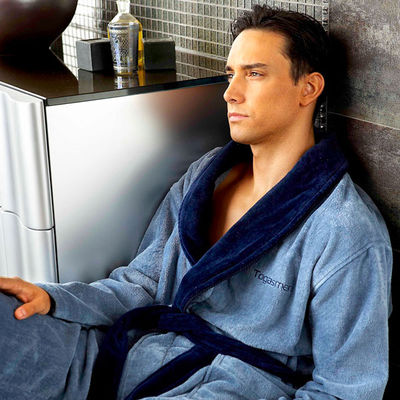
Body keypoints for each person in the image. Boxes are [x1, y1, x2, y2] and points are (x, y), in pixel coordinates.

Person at [0, 4, 392, 400]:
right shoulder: (206, 175)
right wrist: (54, 298)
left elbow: (345, 391)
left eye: (254, 74)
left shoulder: (345, 231)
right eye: (231, 74)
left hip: (224, 387)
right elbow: (142, 284)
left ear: (308, 88)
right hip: (129, 352)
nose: (230, 93)